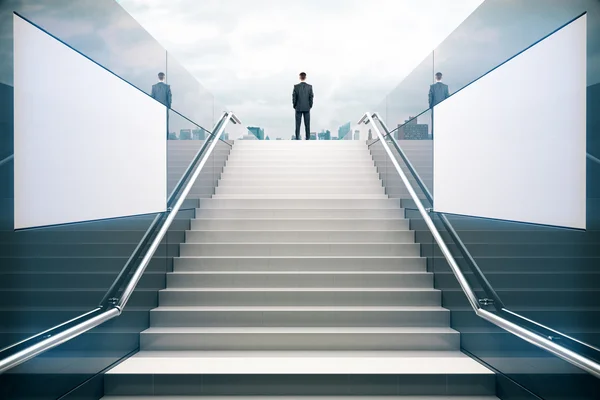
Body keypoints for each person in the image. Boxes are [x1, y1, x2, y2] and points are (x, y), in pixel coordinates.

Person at [292, 72, 314, 140]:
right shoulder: (310, 87)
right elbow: (311, 97)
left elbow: (294, 97)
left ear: (299, 77)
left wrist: (294, 105)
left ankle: (297, 138)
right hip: (307, 107)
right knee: (307, 124)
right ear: (305, 77)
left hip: (298, 107)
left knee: (297, 124)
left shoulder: (296, 87)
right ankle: (308, 138)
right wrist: (310, 105)